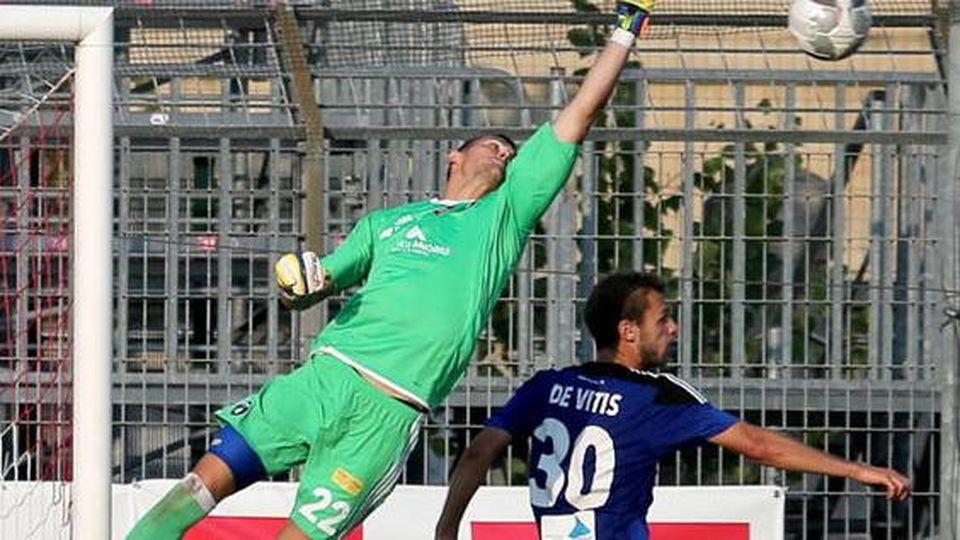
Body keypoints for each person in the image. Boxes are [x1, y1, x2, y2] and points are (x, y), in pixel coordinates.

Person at [126, 2, 656, 538]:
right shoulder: (389, 224)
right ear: (455, 155)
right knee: (198, 487)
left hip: (386, 416)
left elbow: (580, 112)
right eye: (493, 145)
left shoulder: (503, 216)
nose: (503, 154)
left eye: (511, 154)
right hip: (324, 378)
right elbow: (321, 281)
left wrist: (626, 28)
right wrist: (301, 284)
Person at [434, 272, 912, 540]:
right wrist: (853, 470)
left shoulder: (546, 386)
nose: (673, 329)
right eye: (663, 320)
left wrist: (447, 529)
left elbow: (478, 453)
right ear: (628, 331)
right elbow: (758, 447)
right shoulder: (654, 395)